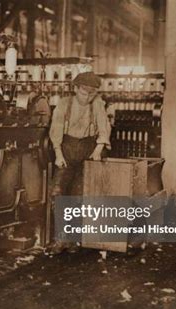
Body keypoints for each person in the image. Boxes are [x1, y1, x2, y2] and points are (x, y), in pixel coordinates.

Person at [47, 71, 111, 254]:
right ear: (75, 89)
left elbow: (103, 127)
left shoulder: (97, 104)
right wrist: (58, 153)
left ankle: (74, 240)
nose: (88, 97)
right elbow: (56, 129)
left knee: (79, 196)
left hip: (88, 151)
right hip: (66, 150)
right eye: (84, 93)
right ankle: (61, 239)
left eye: (92, 93)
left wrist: (98, 150)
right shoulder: (64, 103)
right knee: (58, 193)